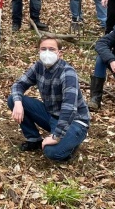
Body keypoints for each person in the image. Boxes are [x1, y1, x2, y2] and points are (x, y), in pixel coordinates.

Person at [7, 34, 90, 162]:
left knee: (52, 153)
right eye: (43, 49)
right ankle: (34, 140)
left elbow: (69, 108)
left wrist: (56, 137)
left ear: (60, 53)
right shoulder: (39, 66)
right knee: (14, 99)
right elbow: (18, 85)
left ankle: (71, 144)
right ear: (39, 51)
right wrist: (18, 103)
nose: (47, 52)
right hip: (51, 115)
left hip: (74, 121)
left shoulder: (67, 73)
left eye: (51, 49)